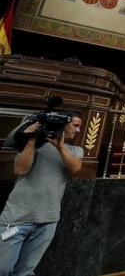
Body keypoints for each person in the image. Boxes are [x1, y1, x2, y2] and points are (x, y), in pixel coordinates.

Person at [0, 114, 84, 276]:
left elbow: (74, 168)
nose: (78, 130)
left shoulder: (75, 150)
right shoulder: (34, 145)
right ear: (63, 125)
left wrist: (60, 147)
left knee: (25, 271)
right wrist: (32, 140)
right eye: (75, 125)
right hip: (16, 219)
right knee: (2, 269)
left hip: (47, 221)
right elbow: (20, 169)